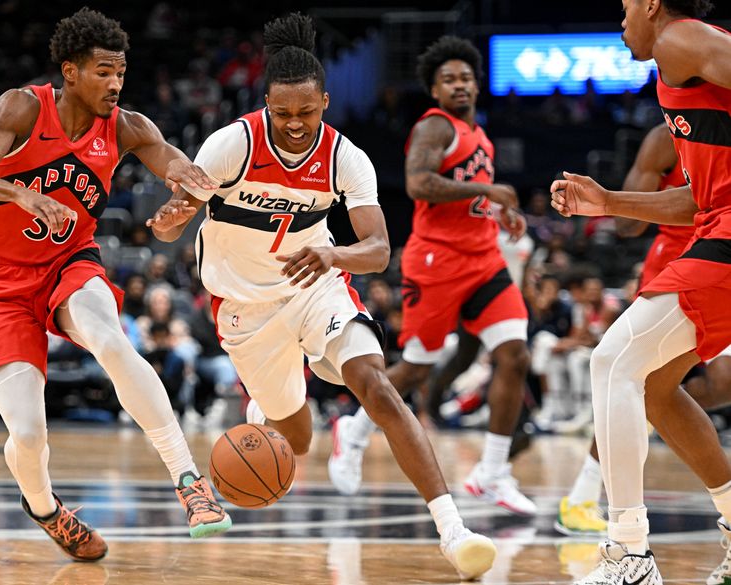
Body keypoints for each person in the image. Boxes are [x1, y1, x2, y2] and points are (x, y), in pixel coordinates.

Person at [146, 13, 496, 580]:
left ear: (325, 102)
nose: (293, 124)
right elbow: (170, 224)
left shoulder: (345, 158)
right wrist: (170, 218)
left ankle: (454, 530)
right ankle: (276, 401)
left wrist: (334, 255)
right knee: (298, 442)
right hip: (246, 312)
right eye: (282, 113)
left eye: (306, 112)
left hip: (316, 286)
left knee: (376, 385)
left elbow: (380, 249)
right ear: (265, 104)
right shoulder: (230, 145)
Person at [0, 8, 231, 562]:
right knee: (27, 433)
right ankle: (46, 508)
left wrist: (183, 195)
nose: (115, 83)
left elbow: (171, 162)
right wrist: (20, 194)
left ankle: (189, 481)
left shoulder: (126, 126)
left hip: (71, 262)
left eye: (120, 72)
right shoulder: (22, 107)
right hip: (1, 282)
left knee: (112, 339)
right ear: (70, 71)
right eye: (103, 71)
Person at [549, 1, 731, 582]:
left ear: (652, 3)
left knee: (611, 362)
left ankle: (628, 552)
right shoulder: (684, 70)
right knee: (653, 384)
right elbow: (695, 201)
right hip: (715, 224)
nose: (620, 18)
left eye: (625, 5)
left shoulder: (679, 39)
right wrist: (607, 202)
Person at [327, 35, 536, 516]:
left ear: (477, 85)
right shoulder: (435, 128)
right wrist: (490, 188)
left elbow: (469, 196)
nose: (458, 85)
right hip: (435, 262)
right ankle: (353, 432)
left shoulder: (478, 135)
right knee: (419, 365)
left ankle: (493, 471)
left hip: (482, 258)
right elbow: (419, 183)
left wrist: (497, 211)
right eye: (448, 79)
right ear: (435, 90)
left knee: (515, 354)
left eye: (465, 77)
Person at [617, 122, 731, 412]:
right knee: (634, 373)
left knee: (723, 384)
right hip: (675, 257)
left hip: (722, 257)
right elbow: (627, 225)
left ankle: (664, 414)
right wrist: (610, 200)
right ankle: (596, 458)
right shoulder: (663, 140)